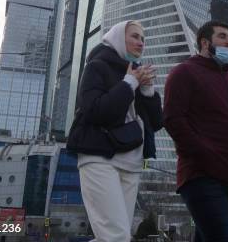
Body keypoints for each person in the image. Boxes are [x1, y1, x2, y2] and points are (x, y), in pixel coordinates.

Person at [67, 20, 162, 242]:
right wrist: (129, 83)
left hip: (131, 162)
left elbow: (156, 123)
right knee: (115, 236)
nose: (140, 42)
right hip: (99, 157)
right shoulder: (97, 66)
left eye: (143, 38)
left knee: (113, 237)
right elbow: (95, 111)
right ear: (118, 37)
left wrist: (147, 92)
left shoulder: (137, 74)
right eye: (135, 36)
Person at [164, 20, 228, 242]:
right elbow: (173, 119)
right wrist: (205, 154)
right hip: (201, 175)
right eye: (222, 36)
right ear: (205, 42)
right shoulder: (184, 72)